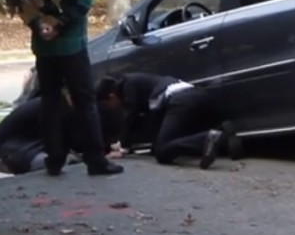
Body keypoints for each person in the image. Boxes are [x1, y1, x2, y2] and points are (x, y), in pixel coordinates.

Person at [27, 0, 123, 177]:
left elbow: (23, 0)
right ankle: (95, 160)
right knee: (85, 101)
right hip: (72, 45)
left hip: (44, 47)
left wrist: (40, 26)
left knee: (49, 101)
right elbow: (83, 1)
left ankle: (55, 158)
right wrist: (60, 25)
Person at [97, 73, 242, 170]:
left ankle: (208, 138)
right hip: (197, 95)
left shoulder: (128, 86)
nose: (111, 108)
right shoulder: (138, 81)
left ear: (111, 96)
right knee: (174, 140)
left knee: (162, 151)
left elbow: (130, 115)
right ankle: (221, 132)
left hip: (180, 101)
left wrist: (123, 148)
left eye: (108, 104)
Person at [0, 93, 122, 176]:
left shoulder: (59, 104)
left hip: (23, 146)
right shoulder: (58, 108)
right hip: (3, 151)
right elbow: (73, 141)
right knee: (65, 165)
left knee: (67, 160)